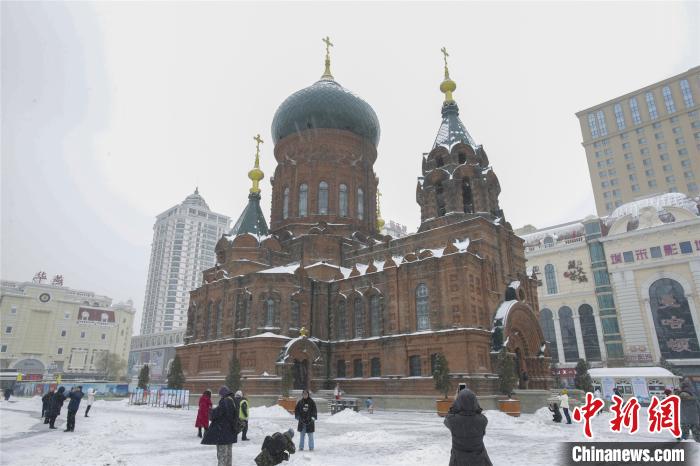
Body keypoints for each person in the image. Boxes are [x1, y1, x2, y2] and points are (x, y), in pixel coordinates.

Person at [443, 388, 492, 466]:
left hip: (458, 461)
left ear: (458, 402)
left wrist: (455, 404)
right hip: (479, 461)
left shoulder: (452, 421)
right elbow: (478, 411)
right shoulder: (482, 420)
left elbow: (447, 418)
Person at [202, 386, 239, 466]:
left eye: (220, 395)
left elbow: (216, 414)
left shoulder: (225, 401)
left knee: (222, 456)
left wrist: (210, 411)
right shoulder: (234, 401)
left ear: (223, 394)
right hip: (230, 433)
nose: (220, 397)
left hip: (223, 434)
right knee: (228, 456)